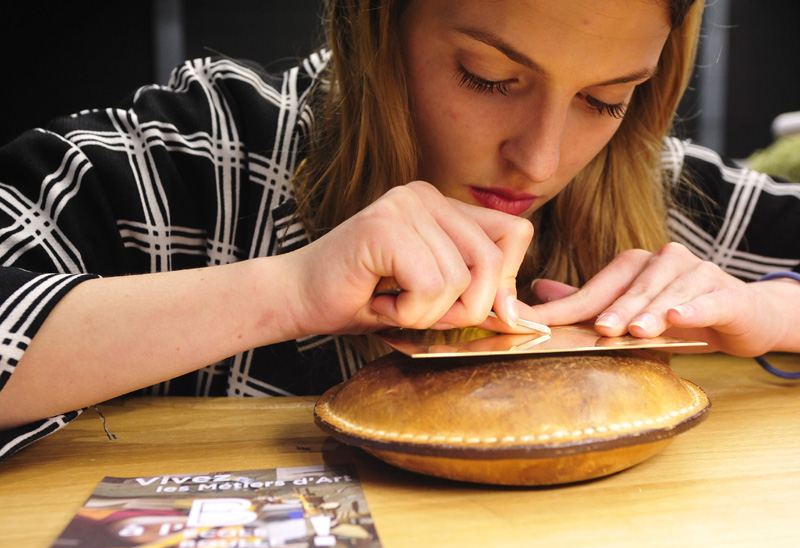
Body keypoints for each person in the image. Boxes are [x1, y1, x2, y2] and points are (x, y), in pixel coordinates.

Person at [1, 0, 799, 460]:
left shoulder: (650, 181)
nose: (542, 158)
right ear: (376, 26)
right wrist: (285, 292)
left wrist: (768, 310)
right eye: (488, 77)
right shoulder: (197, 155)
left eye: (606, 97)